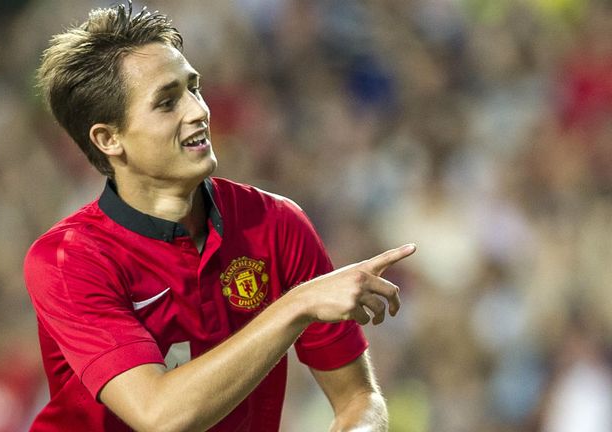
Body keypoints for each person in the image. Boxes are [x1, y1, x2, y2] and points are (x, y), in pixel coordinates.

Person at [24, 3, 416, 431]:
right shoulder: (69, 260)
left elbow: (359, 398)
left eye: (193, 88)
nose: (198, 111)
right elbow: (160, 416)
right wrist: (297, 304)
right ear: (108, 138)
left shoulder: (276, 224)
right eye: (166, 102)